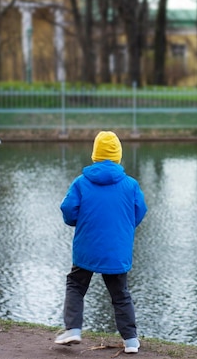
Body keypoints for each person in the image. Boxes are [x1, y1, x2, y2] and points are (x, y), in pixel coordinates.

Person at [56, 131, 148, 354]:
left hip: (87, 247)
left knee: (76, 285)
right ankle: (131, 341)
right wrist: (124, 229)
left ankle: (73, 329)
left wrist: (77, 222)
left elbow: (68, 210)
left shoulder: (81, 183)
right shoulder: (130, 185)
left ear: (94, 155)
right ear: (118, 156)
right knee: (120, 294)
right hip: (117, 250)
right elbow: (139, 211)